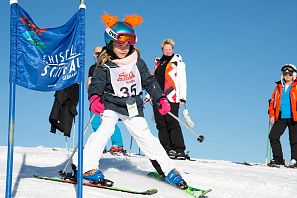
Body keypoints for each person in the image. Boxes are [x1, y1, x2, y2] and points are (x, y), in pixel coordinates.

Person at [82, 13, 188, 189]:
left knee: (146, 137)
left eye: (128, 44)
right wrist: (94, 98)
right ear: (110, 43)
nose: (124, 48)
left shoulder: (137, 63)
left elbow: (149, 81)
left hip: (132, 106)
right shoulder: (105, 65)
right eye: (119, 44)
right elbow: (97, 85)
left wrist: (160, 97)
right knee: (104, 131)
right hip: (111, 104)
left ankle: (168, 170)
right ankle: (87, 168)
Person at [145, 38, 187, 160]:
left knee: (172, 122)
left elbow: (182, 80)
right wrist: (149, 95)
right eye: (165, 49)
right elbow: (154, 81)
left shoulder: (178, 63)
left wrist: (183, 97)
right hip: (157, 97)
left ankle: (179, 149)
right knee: (160, 123)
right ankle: (166, 149)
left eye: (170, 49)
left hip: (172, 96)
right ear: (162, 50)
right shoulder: (158, 63)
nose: (168, 51)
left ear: (173, 50)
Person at [88, 46, 125, 155]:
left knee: (110, 121)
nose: (98, 54)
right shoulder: (93, 68)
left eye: (100, 52)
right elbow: (90, 81)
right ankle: (100, 146)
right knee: (94, 122)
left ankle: (117, 145)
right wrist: (90, 95)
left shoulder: (111, 65)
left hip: (108, 98)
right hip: (96, 98)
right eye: (96, 53)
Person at [268, 64, 297, 168]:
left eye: (289, 73)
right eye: (285, 73)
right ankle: (278, 160)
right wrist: (271, 115)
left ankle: (295, 160)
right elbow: (272, 102)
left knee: (294, 139)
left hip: (295, 116)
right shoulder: (279, 87)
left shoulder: (296, 86)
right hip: (281, 116)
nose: (287, 75)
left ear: (293, 74)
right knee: (273, 136)